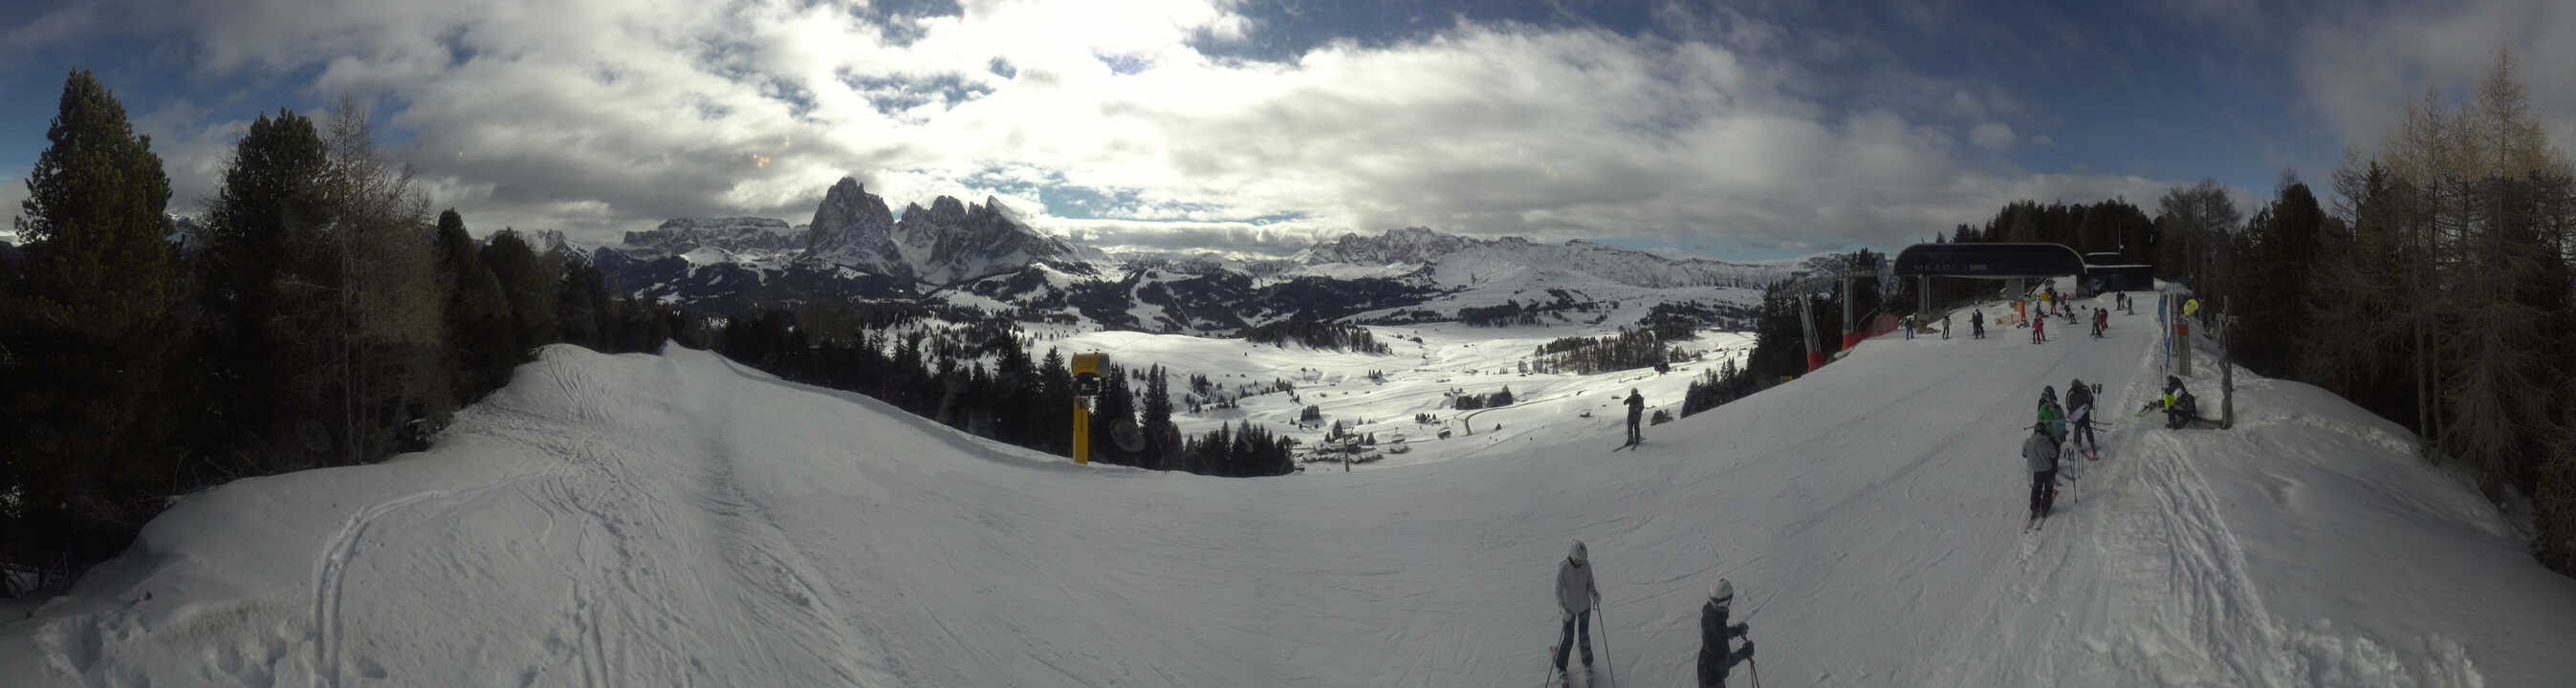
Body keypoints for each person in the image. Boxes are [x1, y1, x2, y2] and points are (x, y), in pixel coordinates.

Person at [1555, 541, 1602, 680]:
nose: (1580, 563)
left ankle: (1587, 662)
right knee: (1568, 638)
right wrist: (1562, 608)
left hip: (1584, 607)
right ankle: (1561, 665)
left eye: (1582, 560)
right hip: (1569, 610)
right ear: (1571, 556)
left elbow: (1590, 584)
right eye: (1577, 560)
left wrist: (1594, 593)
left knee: (1584, 636)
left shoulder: (1586, 565)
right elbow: (1558, 591)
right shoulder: (1564, 569)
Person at [1697, 578, 1755, 687]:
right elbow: (1723, 663)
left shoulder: (1711, 613)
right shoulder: (1715, 619)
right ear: (1726, 600)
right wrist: (1744, 653)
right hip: (1711, 679)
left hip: (1706, 668)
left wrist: (1736, 630)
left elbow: (1719, 633)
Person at [2024, 421, 2062, 521]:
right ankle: (2045, 509)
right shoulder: (2048, 442)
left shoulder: (2028, 441)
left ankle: (2034, 508)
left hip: (2036, 471)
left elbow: (2024, 454)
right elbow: (2053, 455)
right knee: (2048, 489)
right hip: (2048, 470)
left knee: (2036, 488)